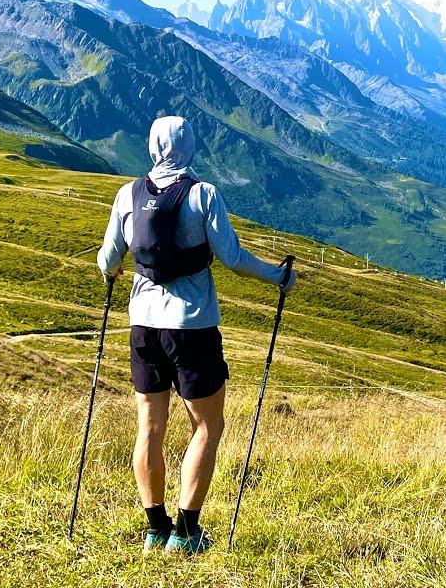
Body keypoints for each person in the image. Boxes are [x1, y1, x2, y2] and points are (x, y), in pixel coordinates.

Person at [97, 115, 296, 555]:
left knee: (150, 427)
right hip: (192, 326)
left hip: (143, 325)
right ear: (189, 147)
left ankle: (155, 529)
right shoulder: (202, 194)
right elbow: (231, 256)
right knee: (207, 425)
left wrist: (116, 272)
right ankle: (186, 533)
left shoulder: (127, 195)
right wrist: (278, 276)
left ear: (151, 146)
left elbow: (107, 258)